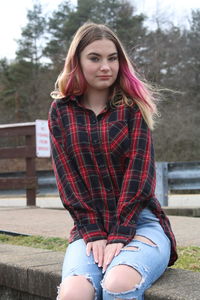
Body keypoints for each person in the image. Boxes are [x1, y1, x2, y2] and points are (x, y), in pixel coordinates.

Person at [48, 22, 178, 300]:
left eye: (113, 58)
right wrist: (94, 232)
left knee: (117, 283)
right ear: (78, 62)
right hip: (89, 227)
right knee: (74, 293)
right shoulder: (61, 111)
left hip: (140, 223)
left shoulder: (132, 108)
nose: (106, 66)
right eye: (95, 58)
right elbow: (67, 178)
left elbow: (140, 177)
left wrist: (119, 234)